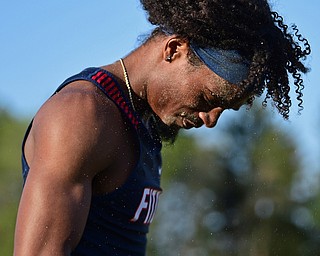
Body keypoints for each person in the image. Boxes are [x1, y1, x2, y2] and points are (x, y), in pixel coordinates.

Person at [14, 0, 310, 255]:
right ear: (174, 50)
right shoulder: (82, 115)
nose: (210, 119)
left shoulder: (142, 121)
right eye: (208, 98)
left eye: (225, 110)